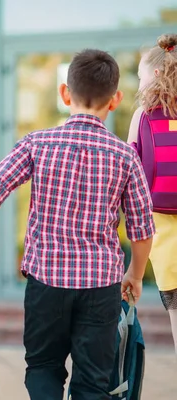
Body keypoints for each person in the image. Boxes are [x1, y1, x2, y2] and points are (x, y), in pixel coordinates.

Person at [0, 49, 155, 400]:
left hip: (46, 283)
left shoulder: (37, 143)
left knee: (42, 369)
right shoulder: (126, 156)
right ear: (115, 101)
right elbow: (142, 230)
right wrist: (136, 274)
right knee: (93, 380)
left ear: (65, 93)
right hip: (101, 287)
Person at [127, 33, 177, 355]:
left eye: (141, 75)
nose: (138, 82)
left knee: (175, 308)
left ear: (157, 74)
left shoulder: (143, 115)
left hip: (162, 223)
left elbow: (131, 163)